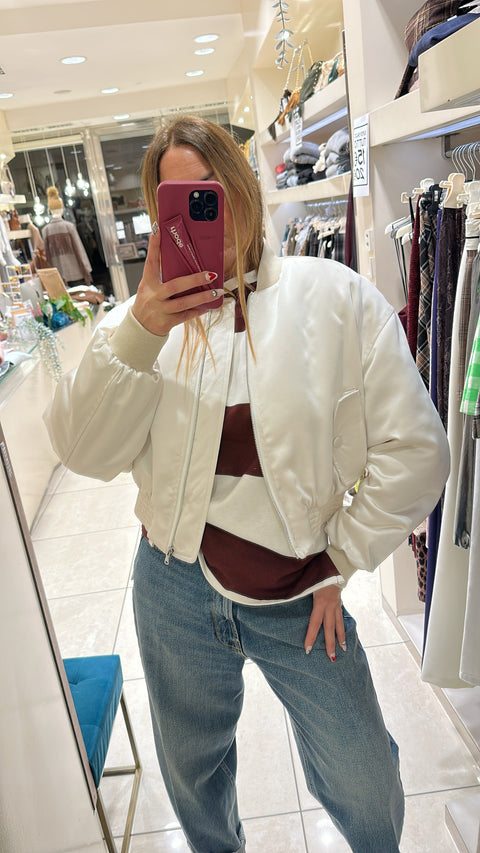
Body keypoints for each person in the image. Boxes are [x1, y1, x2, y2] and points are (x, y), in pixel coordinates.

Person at [44, 115, 450, 853]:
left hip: (299, 589)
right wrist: (141, 329)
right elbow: (82, 450)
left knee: (364, 782)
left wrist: (342, 557)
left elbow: (417, 451)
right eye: (179, 200)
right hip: (171, 586)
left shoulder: (334, 299)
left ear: (243, 185)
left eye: (212, 190)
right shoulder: (142, 324)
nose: (203, 212)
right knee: (192, 776)